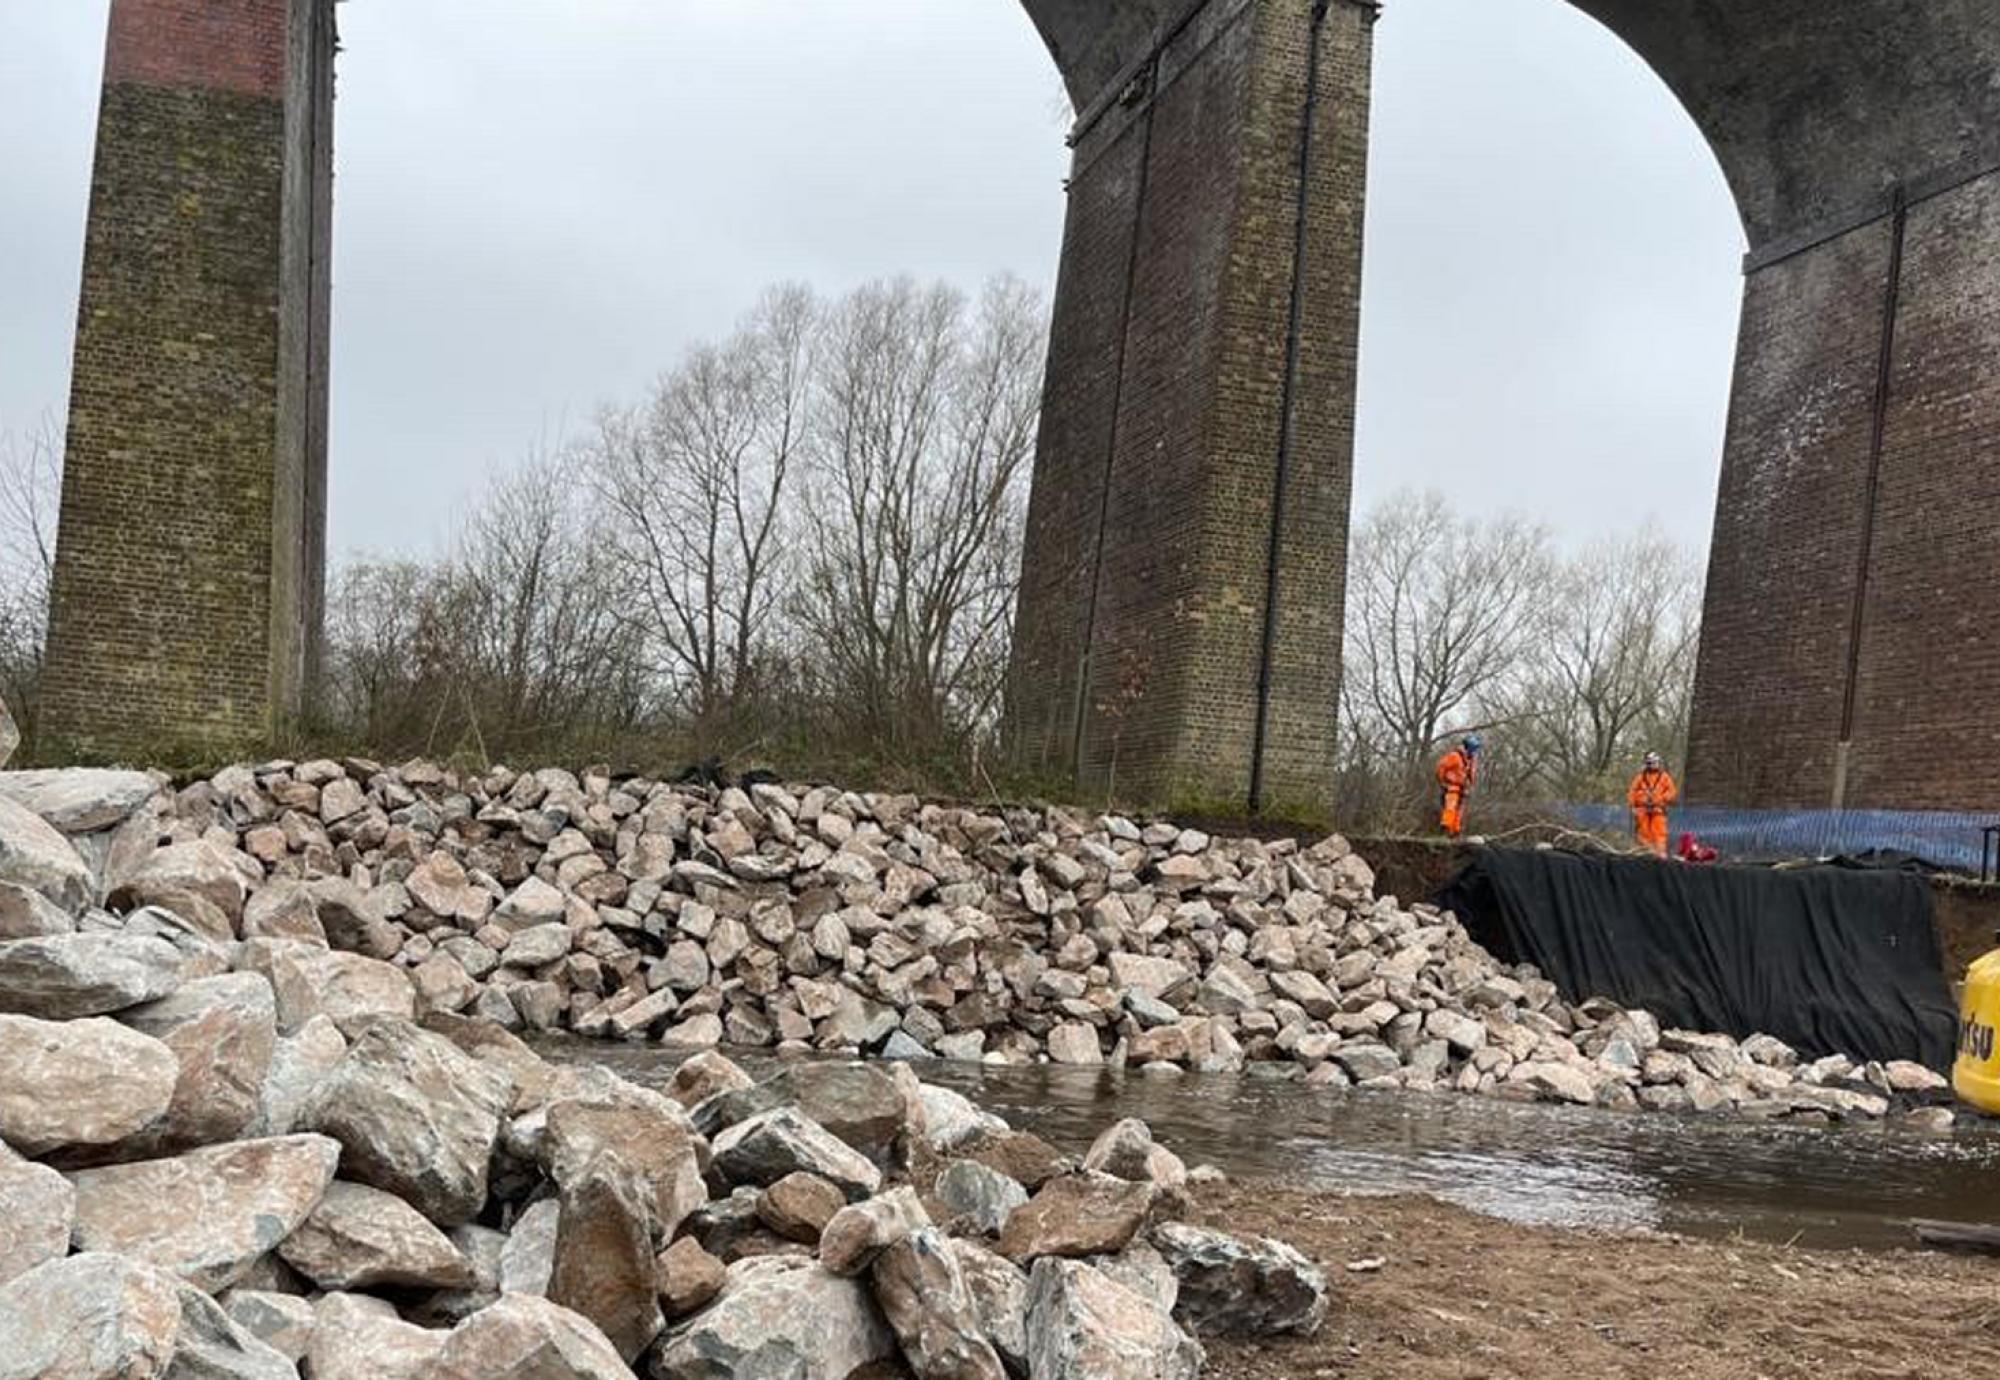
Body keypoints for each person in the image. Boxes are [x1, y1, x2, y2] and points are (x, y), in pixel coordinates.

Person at [1627, 751, 1678, 857]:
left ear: (1658, 763)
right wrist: (1632, 806)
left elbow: (1672, 791)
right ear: (1646, 763)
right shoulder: (1640, 777)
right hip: (1642, 809)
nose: (1653, 765)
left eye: (1655, 763)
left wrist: (1662, 798)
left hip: (1658, 809)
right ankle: (1646, 853)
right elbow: (1632, 791)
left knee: (1659, 833)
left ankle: (1660, 854)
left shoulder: (1664, 777)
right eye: (1650, 763)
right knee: (1643, 833)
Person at [1435, 735, 1481, 838]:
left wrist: (1469, 786)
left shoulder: (1470, 760)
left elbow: (1470, 775)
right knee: (1450, 809)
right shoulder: (1455, 756)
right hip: (1452, 787)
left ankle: (1455, 832)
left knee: (1459, 812)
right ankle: (1445, 831)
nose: (1474, 752)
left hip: (1462, 789)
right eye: (1473, 749)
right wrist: (1443, 782)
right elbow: (1441, 767)